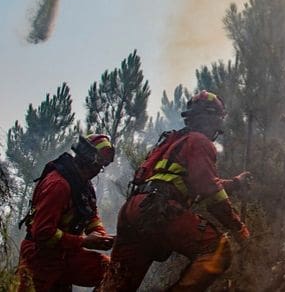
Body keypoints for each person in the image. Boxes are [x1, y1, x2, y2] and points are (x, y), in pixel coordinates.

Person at [100, 90, 251, 292]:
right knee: (217, 250)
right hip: (160, 210)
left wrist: (235, 183)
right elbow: (211, 192)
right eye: (218, 120)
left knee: (118, 282)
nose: (218, 126)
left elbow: (190, 182)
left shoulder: (173, 142)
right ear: (210, 118)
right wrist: (237, 227)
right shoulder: (200, 141)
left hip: (135, 209)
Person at [15, 133, 116, 291]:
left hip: (65, 254)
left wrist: (101, 236)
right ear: (87, 157)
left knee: (111, 271)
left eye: (103, 165)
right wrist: (83, 242)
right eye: (98, 163)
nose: (99, 170)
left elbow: (91, 217)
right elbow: (43, 233)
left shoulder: (85, 186)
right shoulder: (59, 185)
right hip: (39, 258)